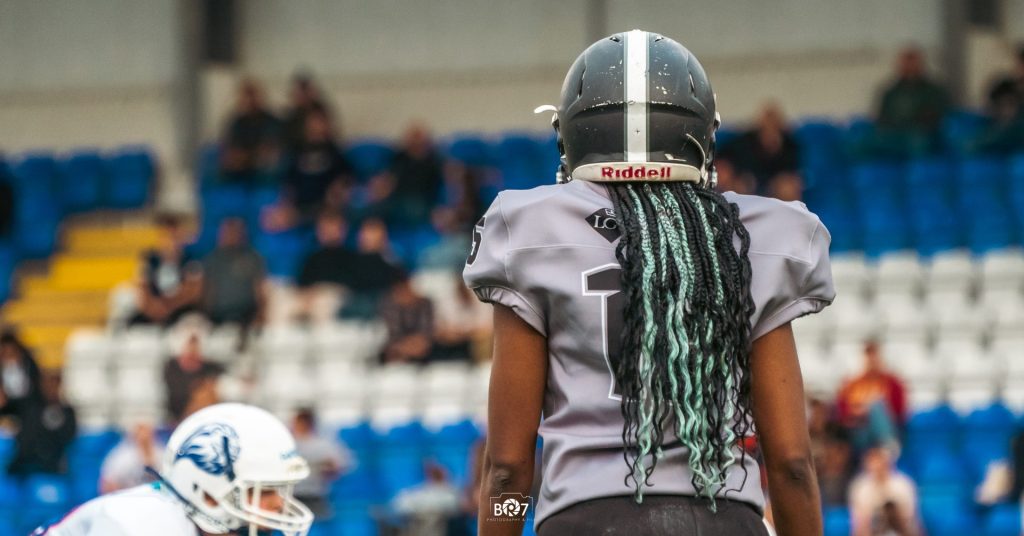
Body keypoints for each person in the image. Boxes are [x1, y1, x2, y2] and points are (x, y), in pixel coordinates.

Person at [464, 30, 835, 536]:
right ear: (703, 135)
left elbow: (507, 470)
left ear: (570, 134)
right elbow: (792, 463)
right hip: (723, 521)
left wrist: (501, 521)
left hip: (586, 521)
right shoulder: (753, 240)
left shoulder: (530, 231)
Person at [36, 403, 314, 536]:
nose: (279, 503)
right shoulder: (141, 526)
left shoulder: (199, 522)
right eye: (264, 491)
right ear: (209, 494)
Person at [265, 108, 354, 232]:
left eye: (320, 122)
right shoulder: (297, 151)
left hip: (325, 205)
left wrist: (338, 188)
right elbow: (288, 181)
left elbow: (346, 176)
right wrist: (286, 203)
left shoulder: (334, 151)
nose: (317, 127)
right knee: (271, 217)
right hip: (299, 204)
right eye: (313, 123)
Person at [867, 47, 949, 157]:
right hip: (894, 134)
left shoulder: (933, 91)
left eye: (912, 62)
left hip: (922, 135)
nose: (909, 67)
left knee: (918, 142)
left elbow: (939, 117)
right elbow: (881, 118)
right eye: (905, 63)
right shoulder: (891, 92)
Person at [131, 214, 202, 326]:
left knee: (193, 321)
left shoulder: (190, 260)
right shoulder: (150, 260)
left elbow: (193, 291)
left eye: (174, 236)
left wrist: (169, 306)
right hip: (153, 310)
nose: (170, 241)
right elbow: (141, 288)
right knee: (134, 324)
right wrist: (153, 307)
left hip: (181, 311)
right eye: (166, 236)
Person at [835, 341, 907, 452]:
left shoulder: (892, 383)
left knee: (876, 405)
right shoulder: (852, 384)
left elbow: (899, 412)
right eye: (868, 356)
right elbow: (843, 413)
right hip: (859, 431)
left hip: (886, 428)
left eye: (874, 356)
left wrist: (870, 409)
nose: (871, 360)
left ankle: (887, 446)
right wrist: (859, 412)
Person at [725, 103, 802, 200]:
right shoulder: (744, 142)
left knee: (787, 188)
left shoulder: (790, 145)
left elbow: (794, 173)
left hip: (777, 186)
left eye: (774, 125)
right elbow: (727, 161)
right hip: (748, 184)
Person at [7, 372, 76, 478]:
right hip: (24, 465)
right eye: (46, 385)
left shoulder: (66, 411)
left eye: (53, 385)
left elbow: (68, 437)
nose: (49, 388)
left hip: (50, 466)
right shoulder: (30, 407)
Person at [200, 218, 267, 328]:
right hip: (217, 316)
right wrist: (206, 318)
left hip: (246, 315)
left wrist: (260, 316)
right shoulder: (211, 260)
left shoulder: (253, 258)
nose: (230, 235)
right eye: (227, 232)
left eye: (235, 231)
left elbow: (259, 290)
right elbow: (208, 292)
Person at [290, 408, 351, 520]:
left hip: (316, 495)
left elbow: (342, 465)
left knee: (320, 524)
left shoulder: (324, 445)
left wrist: (329, 467)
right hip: (292, 496)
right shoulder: (288, 443)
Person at [219, 80, 282, 184]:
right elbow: (231, 149)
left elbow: (268, 150)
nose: (250, 101)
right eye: (246, 97)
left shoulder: (271, 121)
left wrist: (248, 156)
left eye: (253, 96)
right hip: (241, 166)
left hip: (263, 167)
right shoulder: (237, 122)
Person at [848, 446, 921, 536]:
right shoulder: (860, 487)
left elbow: (910, 519)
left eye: (880, 462)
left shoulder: (904, 484)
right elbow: (859, 524)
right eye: (873, 463)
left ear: (888, 463)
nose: (877, 467)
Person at [162, 332, 224, 424]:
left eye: (196, 345)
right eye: (190, 345)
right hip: (181, 412)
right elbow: (176, 392)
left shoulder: (210, 367)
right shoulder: (172, 367)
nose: (193, 349)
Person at [378, 273, 435, 365]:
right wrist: (405, 347)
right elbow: (393, 333)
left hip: (422, 348)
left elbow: (427, 331)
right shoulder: (388, 306)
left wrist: (416, 344)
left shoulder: (425, 303)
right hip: (398, 348)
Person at [100, 422, 165, 494]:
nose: (143, 437)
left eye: (146, 433)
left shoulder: (162, 455)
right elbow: (108, 484)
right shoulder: (121, 457)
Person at [0, 329, 42, 417]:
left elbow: (36, 384)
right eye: (6, 352)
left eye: (12, 352)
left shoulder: (29, 364)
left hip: (28, 405)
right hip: (5, 408)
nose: (9, 355)